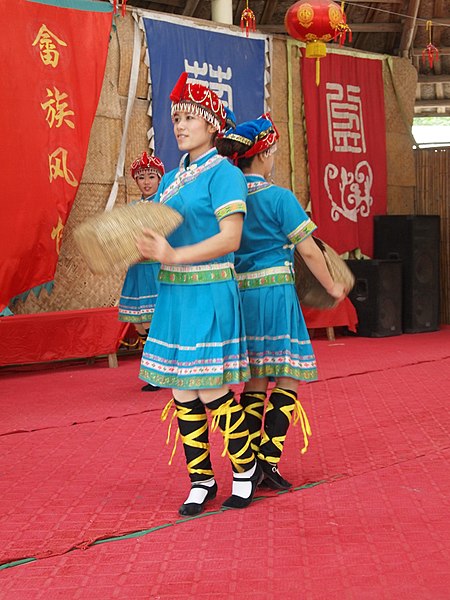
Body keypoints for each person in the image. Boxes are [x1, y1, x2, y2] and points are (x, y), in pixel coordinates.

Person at [136, 72, 261, 516]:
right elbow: (163, 232)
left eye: (190, 116)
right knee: (181, 392)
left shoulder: (225, 175)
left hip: (209, 289)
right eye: (176, 118)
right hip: (175, 293)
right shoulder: (171, 177)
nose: (180, 124)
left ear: (212, 124)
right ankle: (201, 479)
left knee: (208, 388)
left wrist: (172, 252)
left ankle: (245, 471)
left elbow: (230, 239)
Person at [216, 115, 346, 490]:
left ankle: (249, 461)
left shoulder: (231, 198)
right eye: (273, 152)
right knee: (288, 374)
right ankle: (267, 460)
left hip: (241, 295)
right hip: (275, 293)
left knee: (255, 378)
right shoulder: (279, 197)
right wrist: (333, 286)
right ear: (265, 154)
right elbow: (308, 249)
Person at [118, 152, 165, 392]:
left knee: (157, 321)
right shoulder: (133, 208)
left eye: (151, 177)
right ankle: (152, 370)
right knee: (141, 324)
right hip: (138, 270)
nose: (146, 182)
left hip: (158, 270)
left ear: (159, 179)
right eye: (141, 177)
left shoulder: (166, 204)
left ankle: (160, 372)